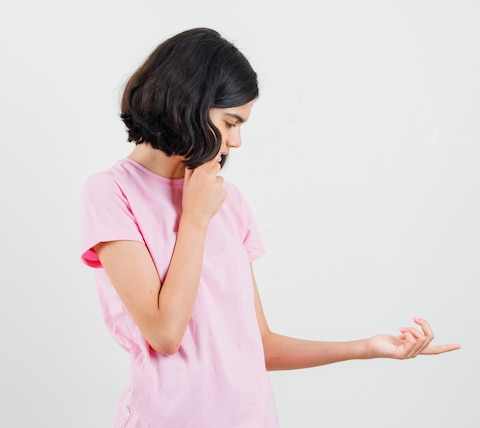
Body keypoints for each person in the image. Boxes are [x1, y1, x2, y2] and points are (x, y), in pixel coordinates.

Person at [79, 27, 460, 428]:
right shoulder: (112, 193)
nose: (237, 140)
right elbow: (165, 334)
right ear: (187, 103)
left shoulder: (229, 201)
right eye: (230, 122)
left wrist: (367, 347)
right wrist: (194, 218)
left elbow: (256, 345)